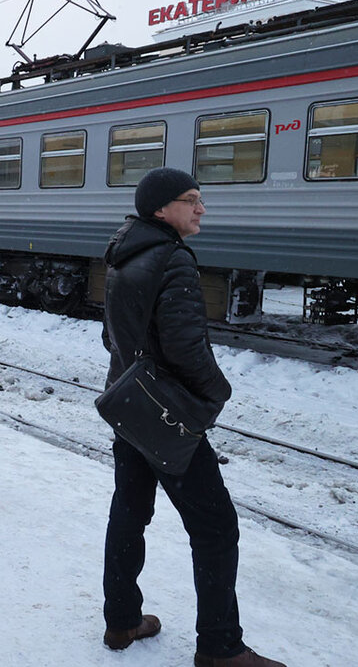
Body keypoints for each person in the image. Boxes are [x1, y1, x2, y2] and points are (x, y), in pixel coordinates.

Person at [100, 167, 285, 667]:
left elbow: (112, 337)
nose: (201, 208)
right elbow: (185, 347)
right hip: (168, 413)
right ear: (162, 209)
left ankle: (121, 619)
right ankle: (221, 646)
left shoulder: (123, 252)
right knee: (216, 528)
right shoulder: (171, 259)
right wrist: (215, 391)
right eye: (192, 199)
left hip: (129, 403)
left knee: (130, 511)